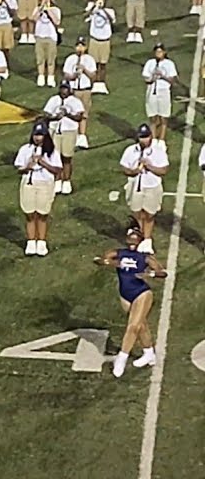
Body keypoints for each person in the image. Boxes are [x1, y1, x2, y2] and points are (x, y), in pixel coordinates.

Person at [93, 224, 167, 378]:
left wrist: (149, 275)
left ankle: (122, 357)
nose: (132, 243)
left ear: (140, 241)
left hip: (142, 293)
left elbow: (162, 272)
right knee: (141, 325)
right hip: (125, 295)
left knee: (132, 326)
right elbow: (99, 259)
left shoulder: (145, 257)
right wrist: (111, 263)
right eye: (130, 240)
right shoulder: (118, 253)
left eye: (135, 240)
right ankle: (149, 353)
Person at [15, 123, 63, 256]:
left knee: (42, 214)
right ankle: (31, 242)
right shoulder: (25, 149)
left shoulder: (52, 151)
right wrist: (27, 166)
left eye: (40, 135)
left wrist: (43, 163)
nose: (37, 138)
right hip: (29, 183)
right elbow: (19, 168)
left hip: (45, 183)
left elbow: (57, 170)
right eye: (36, 135)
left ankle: (41, 242)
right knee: (29, 213)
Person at [120, 124, 169, 252]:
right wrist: (133, 171)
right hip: (135, 185)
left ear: (151, 136)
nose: (144, 140)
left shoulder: (158, 152)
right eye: (142, 137)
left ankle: (147, 240)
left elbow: (164, 170)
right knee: (137, 212)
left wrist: (150, 166)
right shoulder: (130, 150)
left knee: (149, 214)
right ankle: (142, 235)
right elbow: (124, 168)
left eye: (146, 137)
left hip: (152, 186)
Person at [42, 82, 85, 196]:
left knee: (67, 157)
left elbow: (79, 117)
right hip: (55, 130)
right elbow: (46, 114)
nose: (63, 91)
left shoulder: (75, 101)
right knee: (55, 157)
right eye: (62, 88)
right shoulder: (54, 100)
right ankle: (57, 179)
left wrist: (67, 114)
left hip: (69, 131)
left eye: (66, 89)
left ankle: (66, 181)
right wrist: (54, 117)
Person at [142, 43, 176, 152]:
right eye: (157, 51)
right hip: (152, 91)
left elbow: (172, 80)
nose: (158, 53)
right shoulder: (150, 63)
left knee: (163, 116)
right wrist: (153, 77)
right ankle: (153, 139)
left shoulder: (169, 64)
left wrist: (163, 76)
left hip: (164, 91)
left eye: (160, 51)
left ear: (164, 52)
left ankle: (161, 140)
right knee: (153, 116)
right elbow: (146, 79)